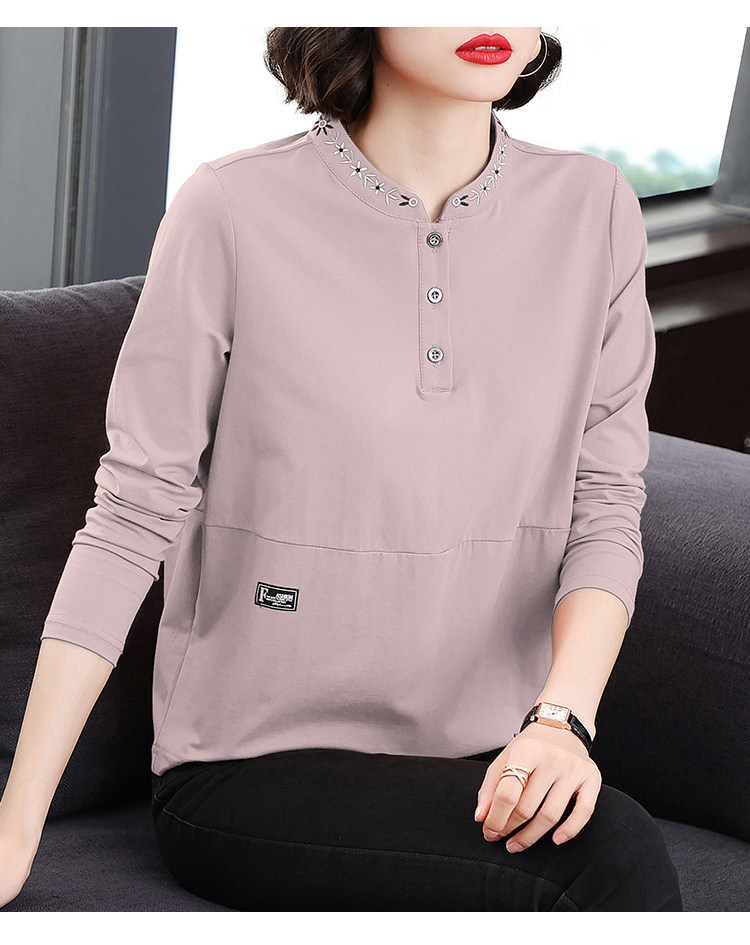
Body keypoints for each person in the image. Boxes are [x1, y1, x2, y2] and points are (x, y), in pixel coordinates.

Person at [0, 27, 683, 911]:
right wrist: (18, 818)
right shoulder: (232, 208)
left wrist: (560, 720)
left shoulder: (595, 209)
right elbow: (131, 517)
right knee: (611, 854)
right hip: (249, 767)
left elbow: (607, 502)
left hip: (495, 752)